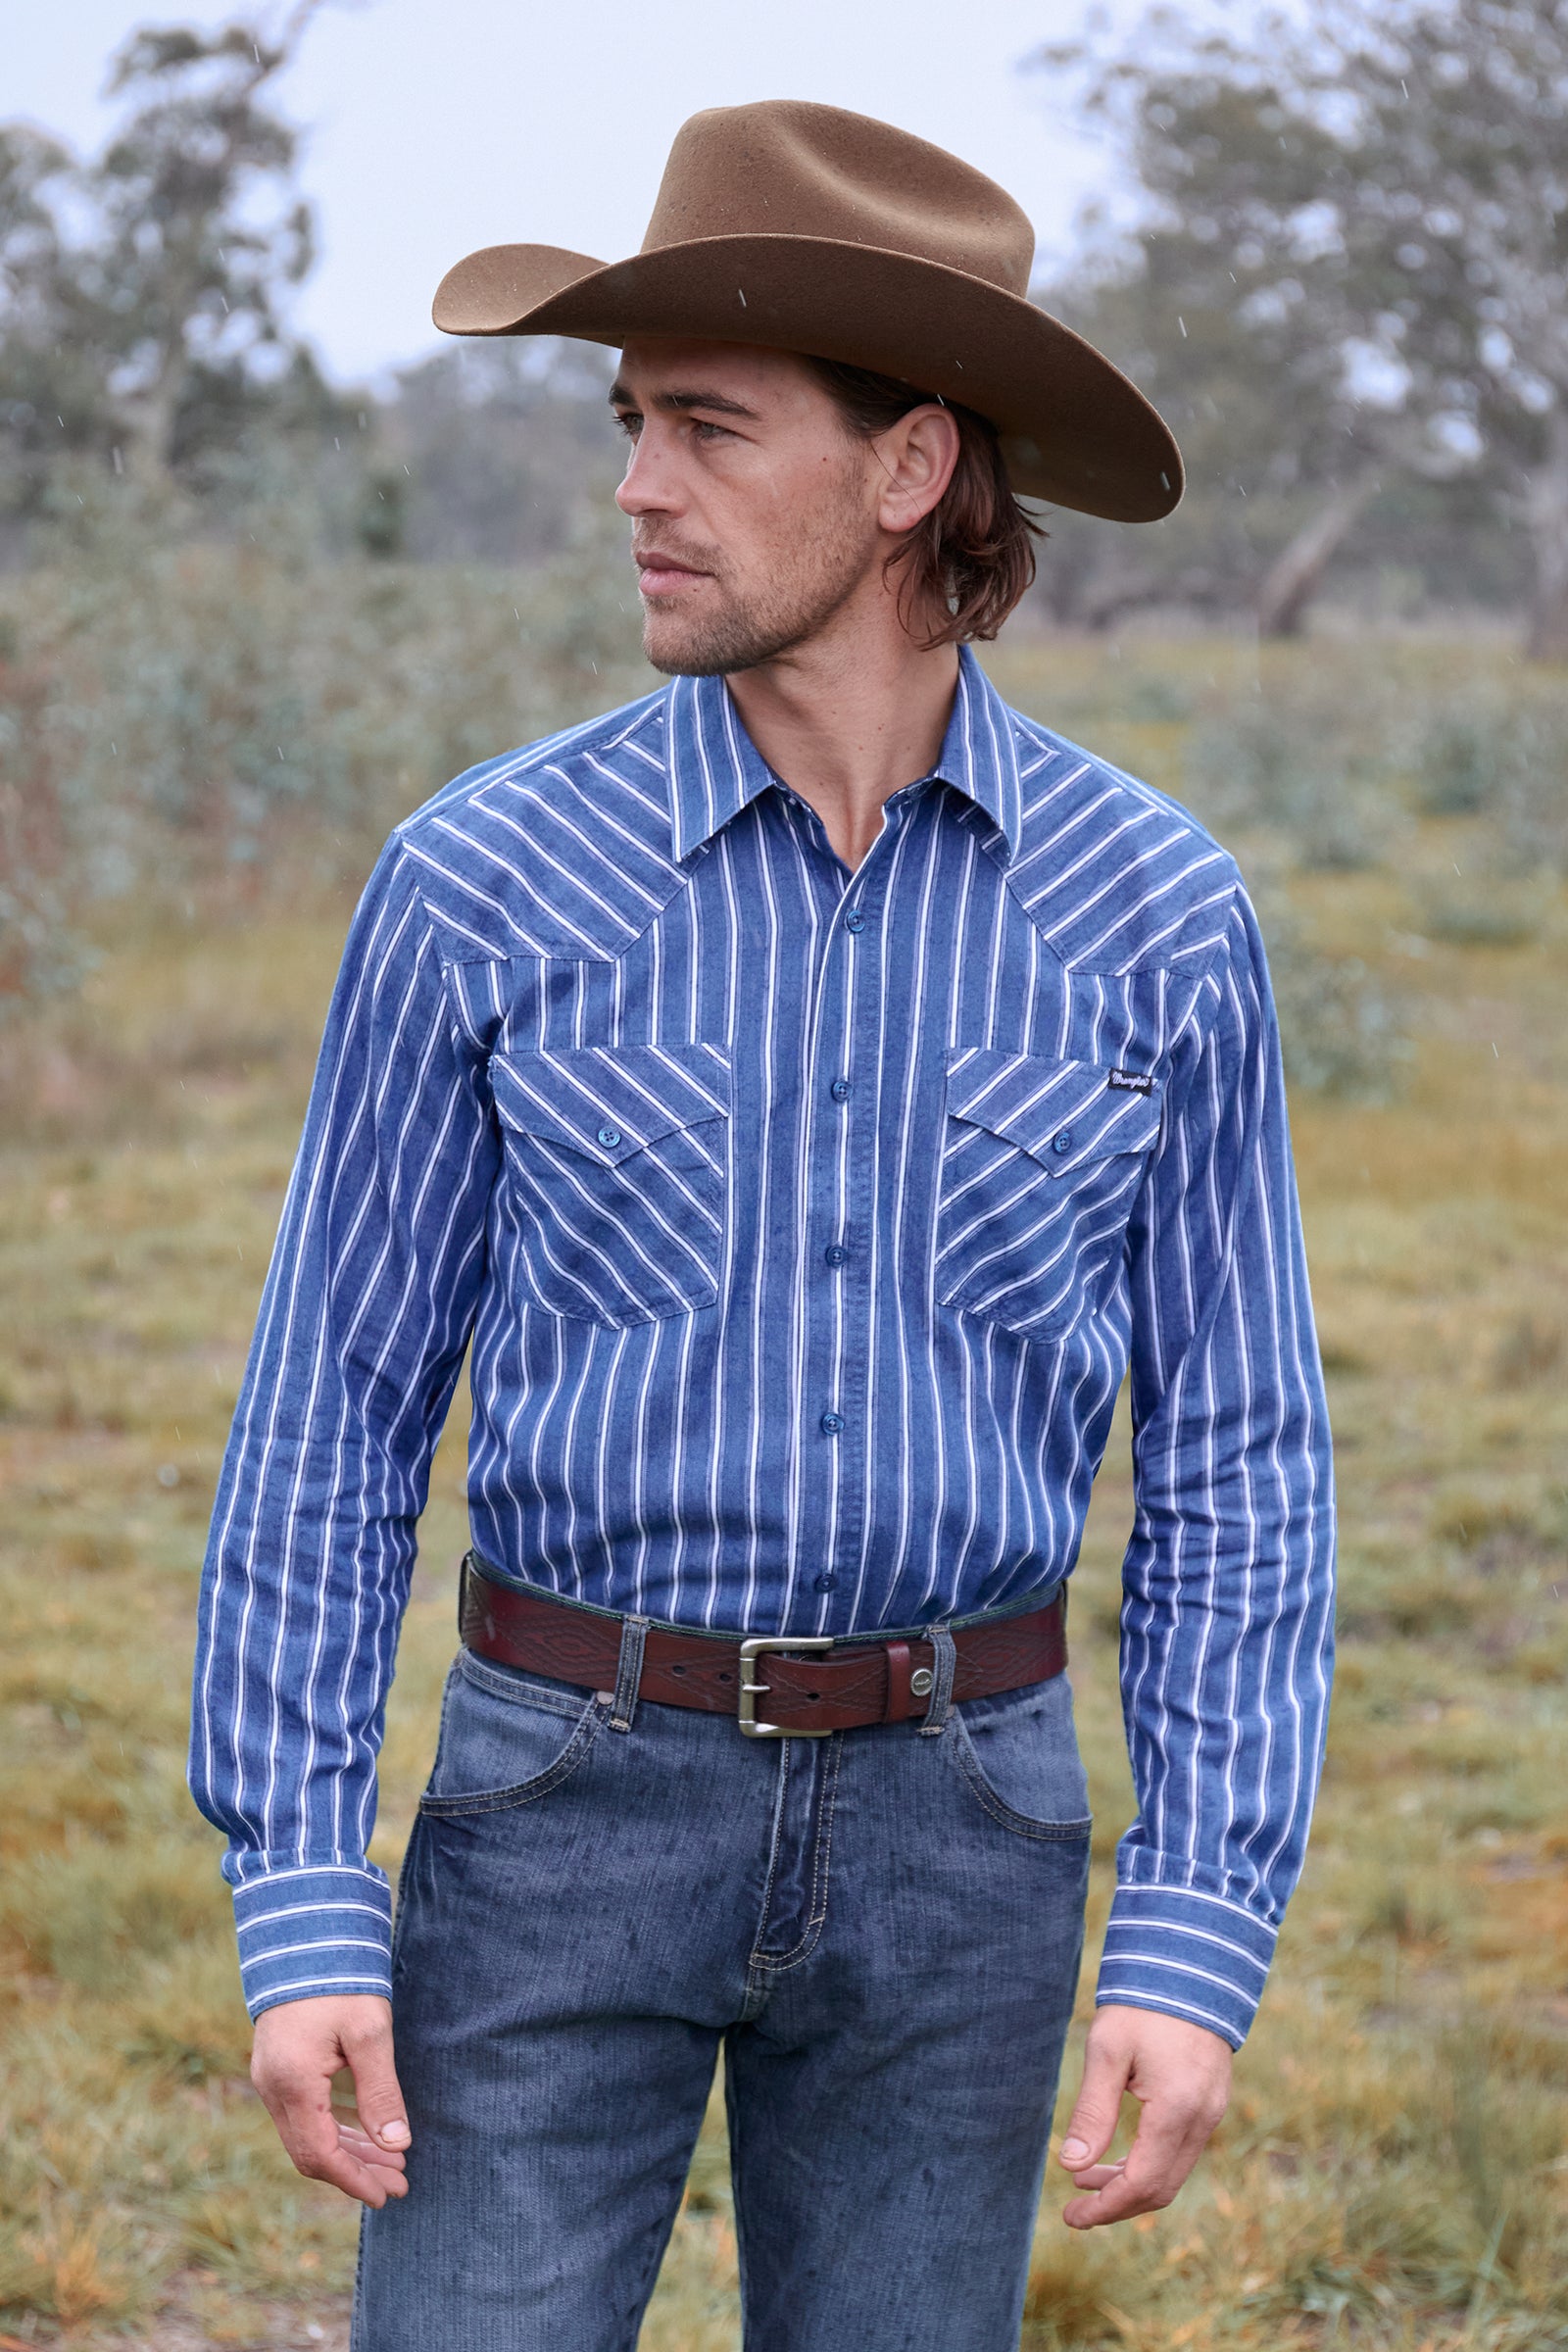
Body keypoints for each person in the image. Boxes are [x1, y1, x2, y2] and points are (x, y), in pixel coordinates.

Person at [190, 100, 1335, 2352]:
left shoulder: (1155, 918)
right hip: (555, 1803)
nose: (635, 488)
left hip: (965, 1835)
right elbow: (326, 1418)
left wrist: (1192, 1935)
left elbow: (1239, 1467)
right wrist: (305, 1892)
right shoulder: (476, 883)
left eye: (705, 428)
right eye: (630, 426)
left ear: (909, 471)